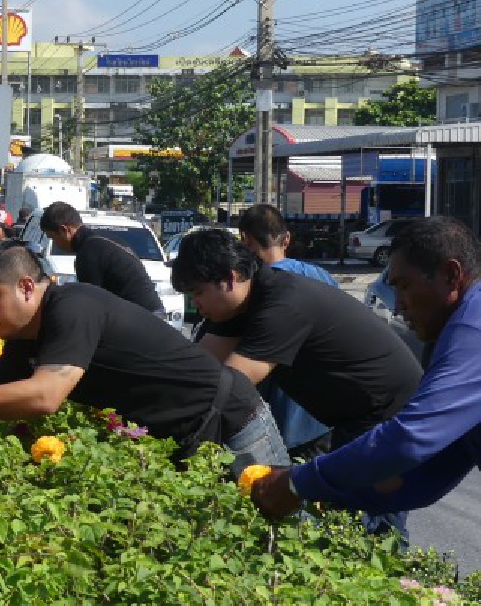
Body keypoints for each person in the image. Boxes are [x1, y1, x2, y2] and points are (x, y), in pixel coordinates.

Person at [0, 241, 287, 478]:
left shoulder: (73, 306)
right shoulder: (24, 337)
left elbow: (45, 395)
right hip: (184, 436)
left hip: (231, 419)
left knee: (284, 524)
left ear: (26, 287)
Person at [172, 228, 423, 536]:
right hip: (351, 417)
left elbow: (229, 390)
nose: (196, 304)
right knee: (343, 522)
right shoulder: (239, 305)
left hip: (388, 415)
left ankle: (401, 581)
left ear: (231, 276)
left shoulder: (281, 302)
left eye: (198, 292)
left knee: (372, 528)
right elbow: (196, 374)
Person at [251, 217, 481, 521]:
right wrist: (323, 492)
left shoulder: (472, 326)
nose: (398, 306)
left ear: (451, 275)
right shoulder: (457, 327)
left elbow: (409, 439)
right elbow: (433, 472)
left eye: (404, 286)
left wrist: (297, 481)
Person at [236, 204, 334, 460]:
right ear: (287, 238)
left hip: (275, 423)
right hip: (323, 419)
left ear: (245, 240)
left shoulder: (255, 286)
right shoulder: (321, 276)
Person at [38, 201, 164, 314]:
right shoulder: (105, 241)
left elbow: (91, 306)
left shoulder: (88, 252)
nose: (57, 244)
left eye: (53, 237)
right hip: (154, 315)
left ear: (64, 230)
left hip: (141, 320)